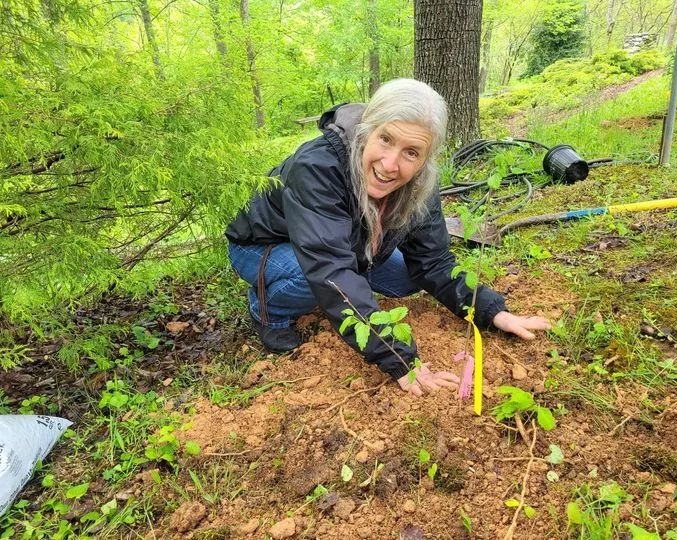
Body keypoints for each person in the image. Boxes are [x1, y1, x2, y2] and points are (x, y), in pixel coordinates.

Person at [226, 78, 551, 396]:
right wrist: (399, 358)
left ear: (425, 159)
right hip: (261, 246)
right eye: (385, 139)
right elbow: (330, 273)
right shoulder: (317, 167)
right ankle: (268, 308)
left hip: (344, 242)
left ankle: (349, 283)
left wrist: (490, 310)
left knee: (410, 278)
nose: (390, 164)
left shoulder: (421, 184)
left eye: (411, 152)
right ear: (369, 130)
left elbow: (434, 262)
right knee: (318, 281)